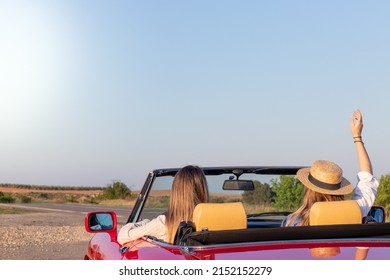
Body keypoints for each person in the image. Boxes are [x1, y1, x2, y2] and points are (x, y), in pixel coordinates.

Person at [282, 109, 379, 227]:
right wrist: (357, 136)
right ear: (339, 191)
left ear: (309, 191)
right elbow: (367, 178)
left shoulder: (291, 222)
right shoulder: (355, 211)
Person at [117, 165, 209, 244]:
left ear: (176, 192)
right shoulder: (216, 221)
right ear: (203, 190)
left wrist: (145, 222)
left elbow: (122, 236)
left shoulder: (164, 222)